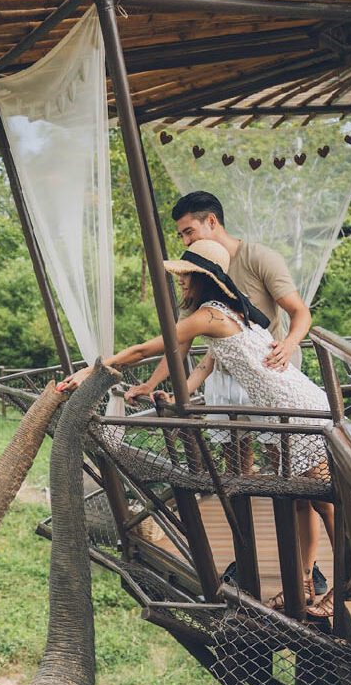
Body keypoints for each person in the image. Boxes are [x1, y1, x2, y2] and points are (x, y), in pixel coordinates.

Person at [58, 239, 335, 618]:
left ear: (204, 278)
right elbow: (193, 361)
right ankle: (302, 586)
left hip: (298, 412)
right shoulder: (233, 314)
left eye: (185, 277)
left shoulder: (211, 316)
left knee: (326, 503)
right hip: (286, 412)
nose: (181, 284)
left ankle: (347, 586)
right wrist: (157, 390)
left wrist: (93, 371)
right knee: (306, 500)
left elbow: (146, 349)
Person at [126, 190, 327, 601]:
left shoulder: (252, 260)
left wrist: (288, 344)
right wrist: (154, 387)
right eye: (181, 236)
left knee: (301, 491)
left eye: (188, 232)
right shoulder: (203, 284)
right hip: (232, 394)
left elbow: (298, 311)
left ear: (211, 223)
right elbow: (182, 348)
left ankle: (310, 571)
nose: (185, 242)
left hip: (276, 389)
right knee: (241, 482)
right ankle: (249, 559)